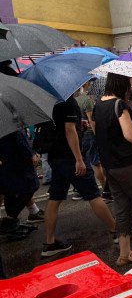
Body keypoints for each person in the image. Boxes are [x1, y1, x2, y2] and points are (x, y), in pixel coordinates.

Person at [93, 73, 132, 266]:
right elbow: (130, 135)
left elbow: (99, 133)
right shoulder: (120, 105)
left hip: (110, 165)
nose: (131, 84)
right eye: (129, 80)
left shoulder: (98, 104)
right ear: (121, 82)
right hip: (127, 164)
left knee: (123, 209)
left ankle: (123, 254)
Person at [42, 95, 116, 257]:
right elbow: (69, 130)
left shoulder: (49, 99)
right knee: (93, 195)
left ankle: (49, 243)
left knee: (55, 198)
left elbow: (63, 126)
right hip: (70, 157)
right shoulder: (67, 101)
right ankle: (116, 231)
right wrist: (79, 159)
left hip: (55, 156)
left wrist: (77, 124)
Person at [0, 131, 40, 239]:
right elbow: (20, 139)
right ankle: (9, 221)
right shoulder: (12, 126)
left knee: (9, 190)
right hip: (16, 162)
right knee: (30, 185)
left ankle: (11, 221)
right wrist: (32, 155)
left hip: (7, 161)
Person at [75, 80, 108, 201]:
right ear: (85, 84)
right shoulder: (87, 100)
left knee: (85, 162)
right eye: (89, 83)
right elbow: (91, 121)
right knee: (96, 163)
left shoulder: (74, 100)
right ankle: (106, 189)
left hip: (79, 135)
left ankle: (83, 190)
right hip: (89, 134)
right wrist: (98, 136)